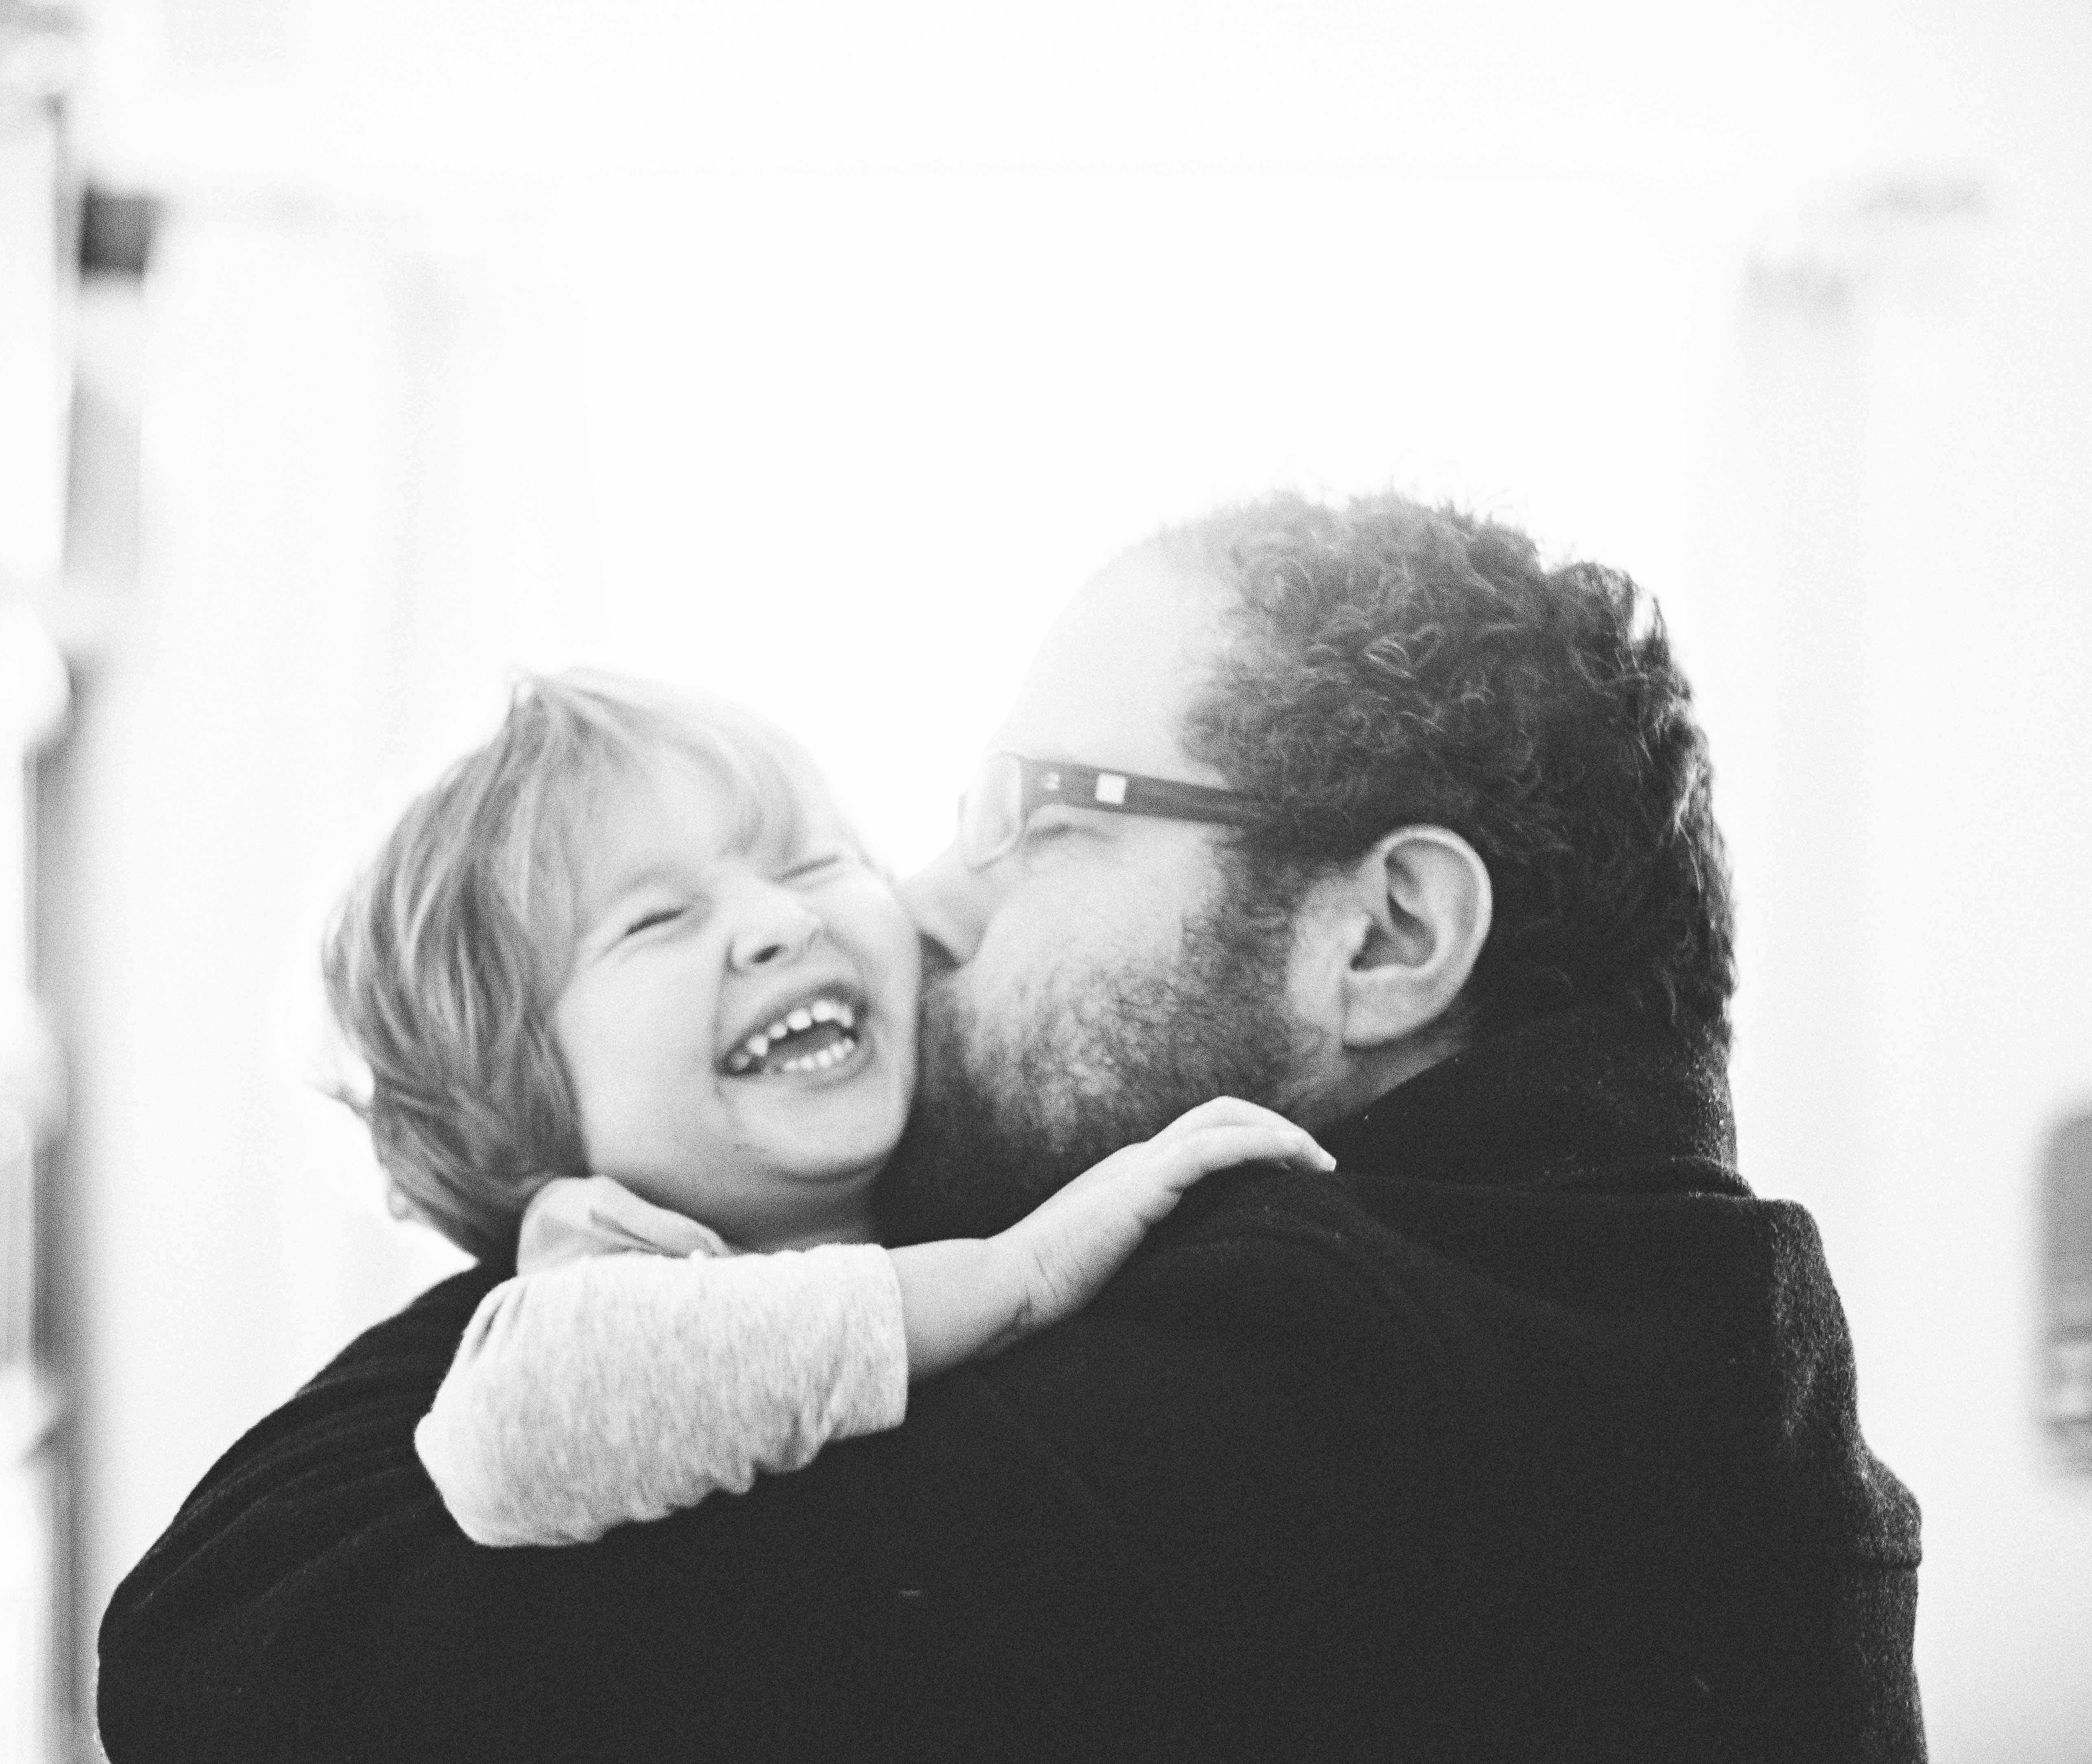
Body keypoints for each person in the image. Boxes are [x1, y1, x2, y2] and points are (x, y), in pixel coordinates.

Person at [97, 491, 1926, 1762]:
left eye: (1038, 813)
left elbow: (242, 1659)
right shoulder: (1637, 1305)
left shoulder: (1317, 1383)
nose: (920, 902)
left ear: (1387, 935)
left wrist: (587, 1213)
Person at [320, 671, 1330, 1547]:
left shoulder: (987, 1150)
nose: (779, 919)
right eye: (658, 918)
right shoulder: (596, 1284)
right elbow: (512, 1432)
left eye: (810, 862)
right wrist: (1012, 1277)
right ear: (513, 1109)